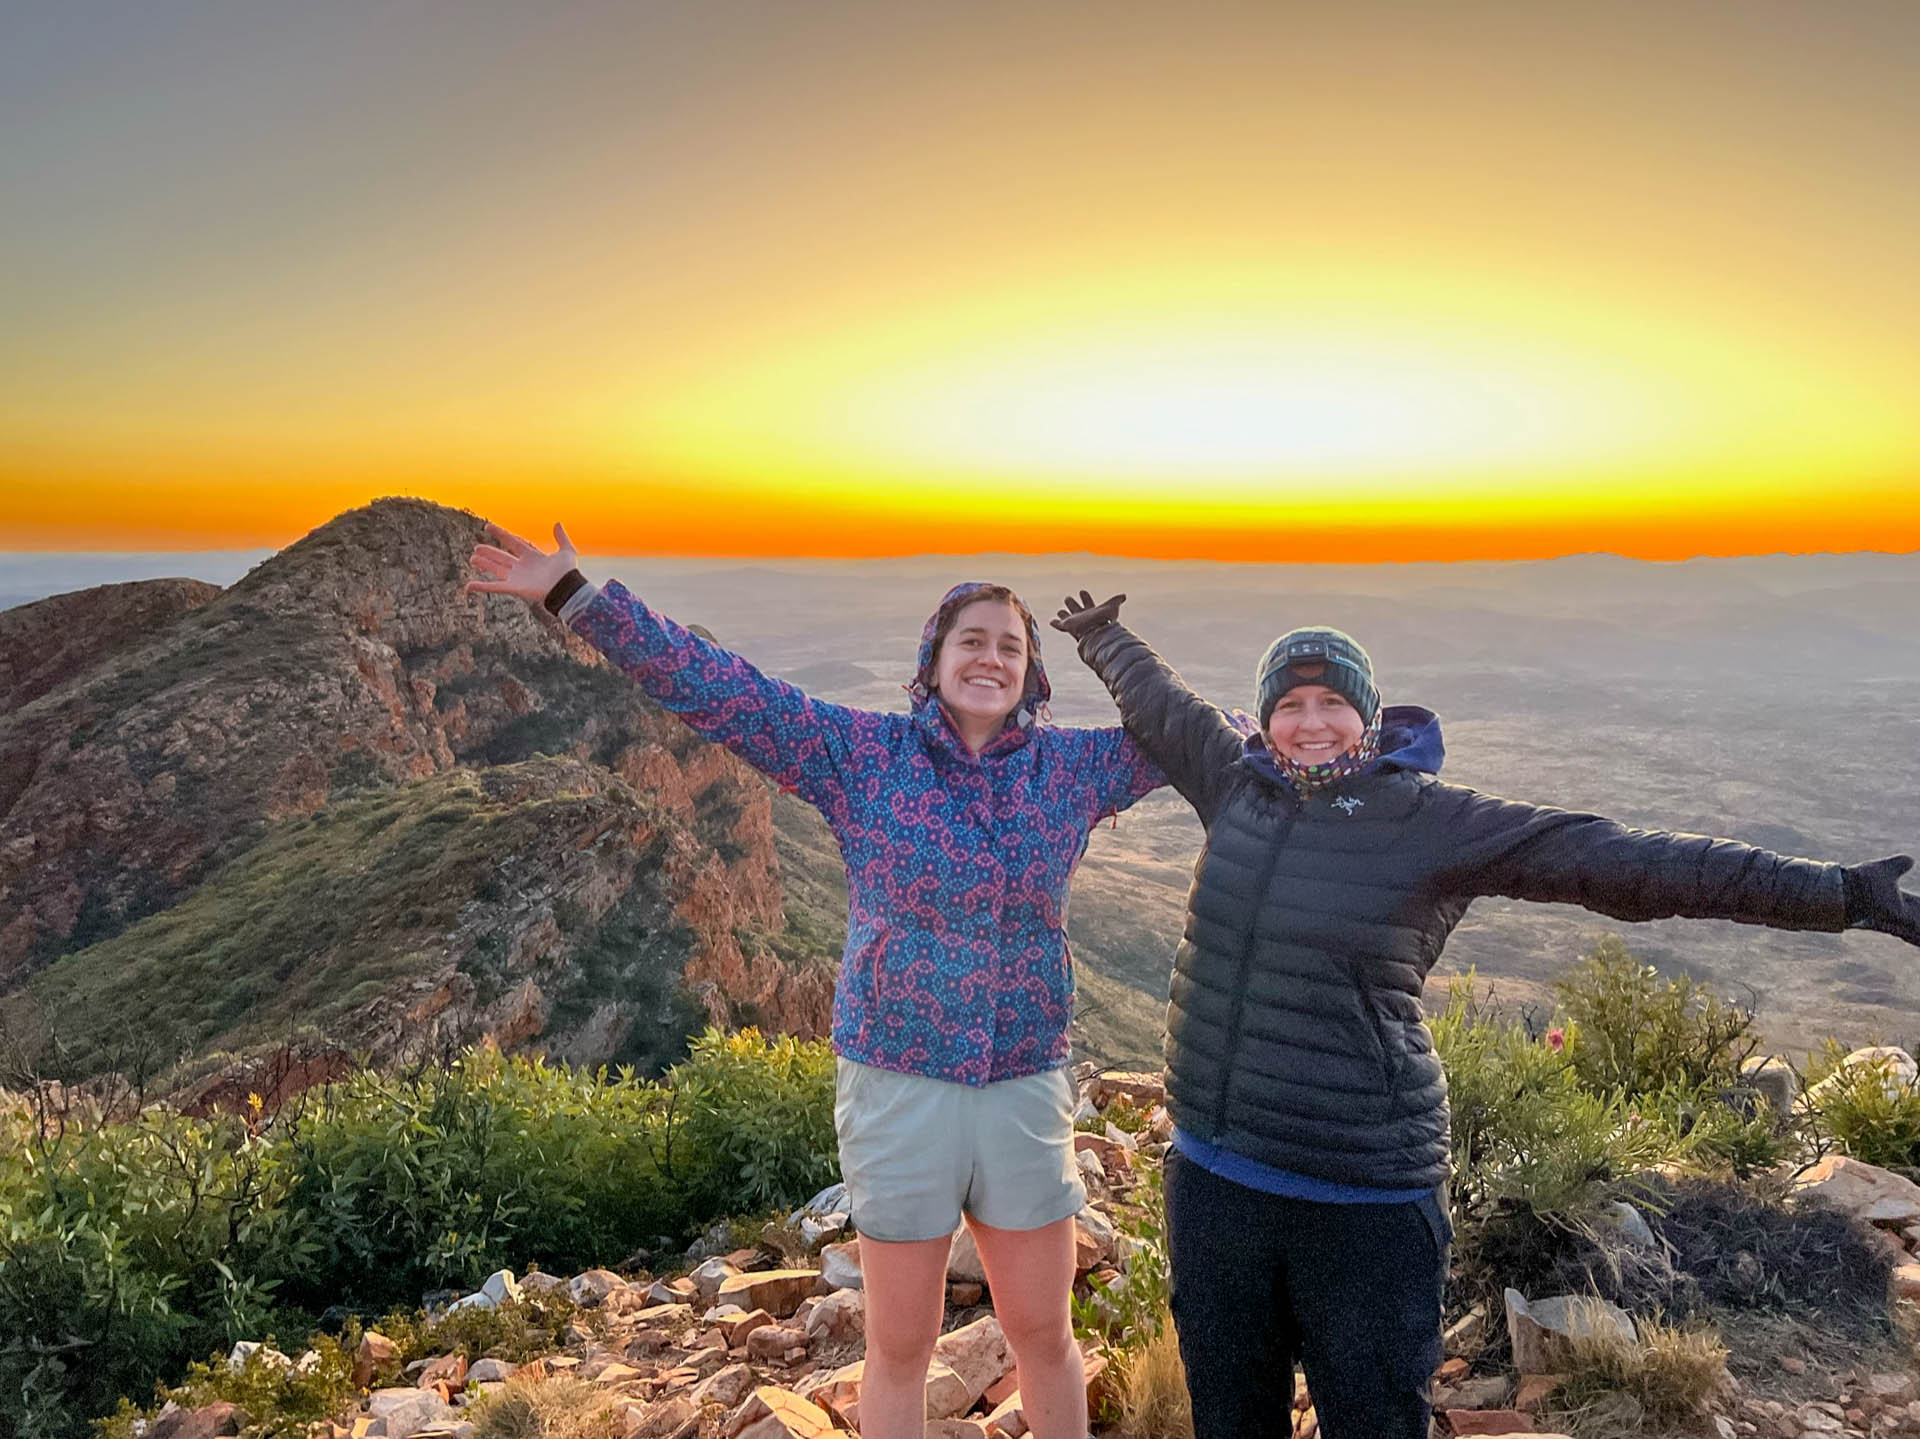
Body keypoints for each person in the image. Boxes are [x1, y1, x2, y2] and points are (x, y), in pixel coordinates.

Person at [1049, 591, 1920, 1439]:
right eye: (1290, 703)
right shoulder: (1238, 779)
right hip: (1216, 1182)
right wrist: (1105, 637)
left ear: (1371, 716)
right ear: (1267, 717)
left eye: (1332, 703)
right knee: (1231, 1418)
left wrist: (1837, 894)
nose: (1310, 722)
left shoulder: (1429, 819)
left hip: (1362, 1194)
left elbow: (1620, 862)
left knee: (1373, 1419)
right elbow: (1163, 705)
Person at [466, 525, 1163, 1439]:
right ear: (935, 659)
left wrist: (1325, 733)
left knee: (1044, 1331)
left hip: (1025, 1081)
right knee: (902, 1346)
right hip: (898, 1084)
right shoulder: (865, 755)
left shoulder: (1072, 769)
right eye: (971, 639)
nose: (989, 657)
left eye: (1010, 645)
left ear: (1032, 672)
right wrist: (579, 597)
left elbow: (1201, 742)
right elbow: (724, 692)